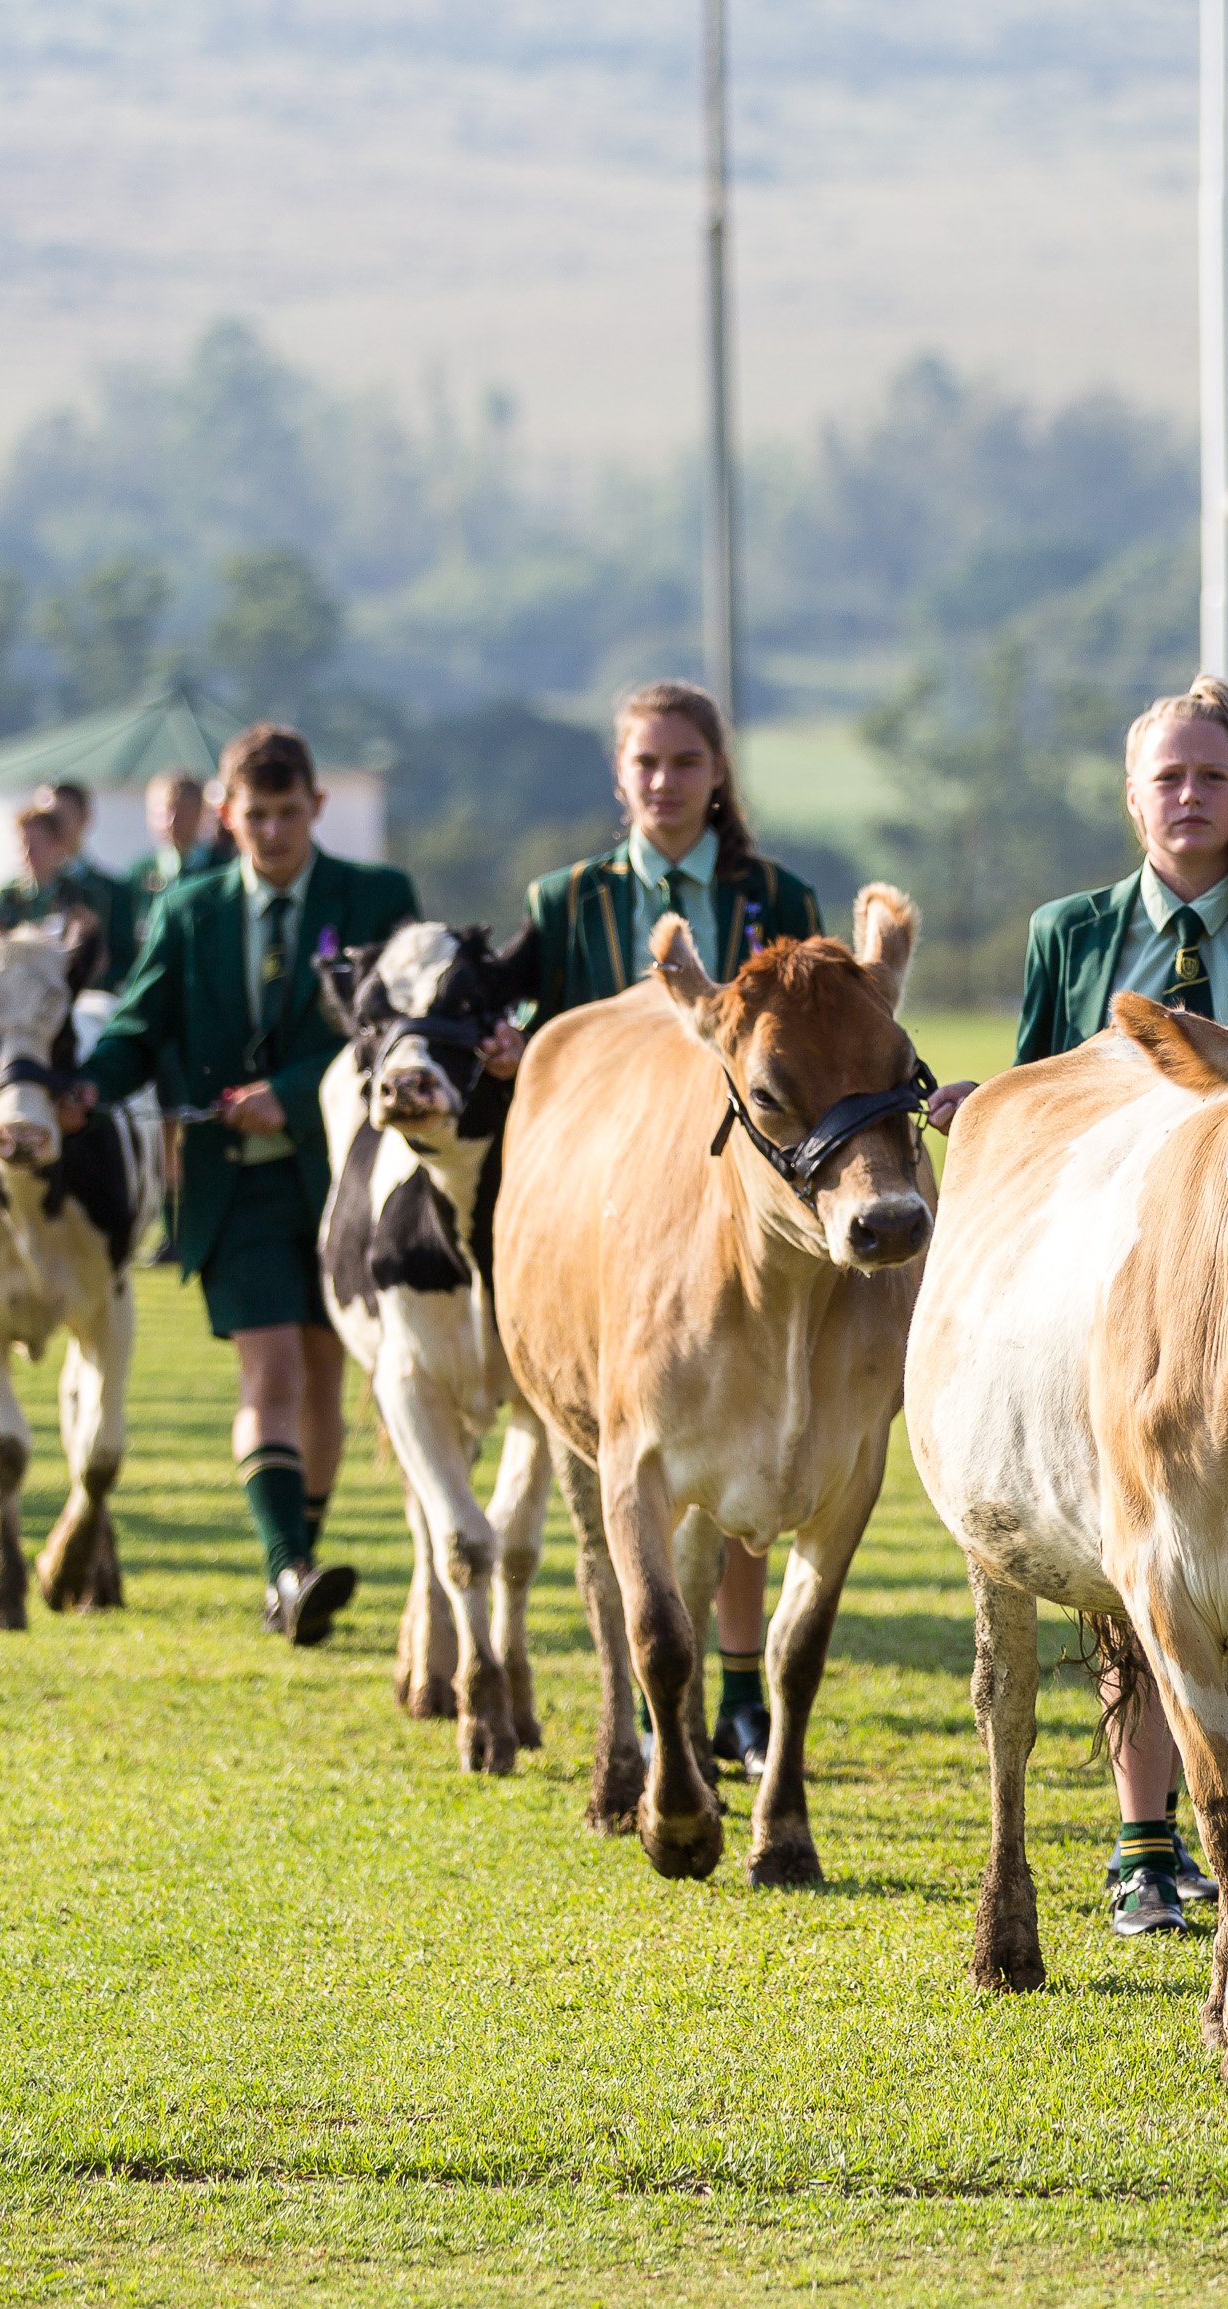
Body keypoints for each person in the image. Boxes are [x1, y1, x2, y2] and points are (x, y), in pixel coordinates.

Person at [924, 674, 1228, 1939]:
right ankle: (1141, 1839)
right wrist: (979, 1110)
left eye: (1209, 777)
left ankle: (1200, 1817)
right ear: (1131, 797)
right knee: (1136, 1559)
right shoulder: (1070, 928)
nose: (1187, 797)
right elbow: (1039, 1082)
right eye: (1165, 777)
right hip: (1113, 1267)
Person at [523, 678, 824, 1767]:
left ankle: (738, 1688)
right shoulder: (568, 898)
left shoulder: (776, 892)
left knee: (748, 1447)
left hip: (743, 1198)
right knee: (628, 1457)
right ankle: (650, 1698)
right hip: (608, 1194)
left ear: (716, 774)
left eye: (683, 762)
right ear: (620, 776)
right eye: (644, 763)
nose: (663, 781)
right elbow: (529, 1020)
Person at [84, 724, 420, 1644]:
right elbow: (139, 1023)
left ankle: (295, 1572)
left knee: (322, 1374)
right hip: (233, 1189)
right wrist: (82, 1085)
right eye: (254, 815)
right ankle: (287, 1564)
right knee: (267, 1366)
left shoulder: (376, 897)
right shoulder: (188, 909)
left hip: (346, 1182)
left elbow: (395, 1024)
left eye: (287, 813)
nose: (271, 832)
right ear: (226, 815)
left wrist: (296, 1094)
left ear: (316, 808)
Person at [0, 792, 139, 990]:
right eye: (22, 845)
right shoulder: (8, 898)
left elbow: (113, 961)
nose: (28, 854)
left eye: (36, 845)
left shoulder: (84, 895)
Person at [132, 772, 230, 928]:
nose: (170, 821)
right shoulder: (138, 873)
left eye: (181, 811)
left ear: (200, 812)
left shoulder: (224, 869)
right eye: (162, 812)